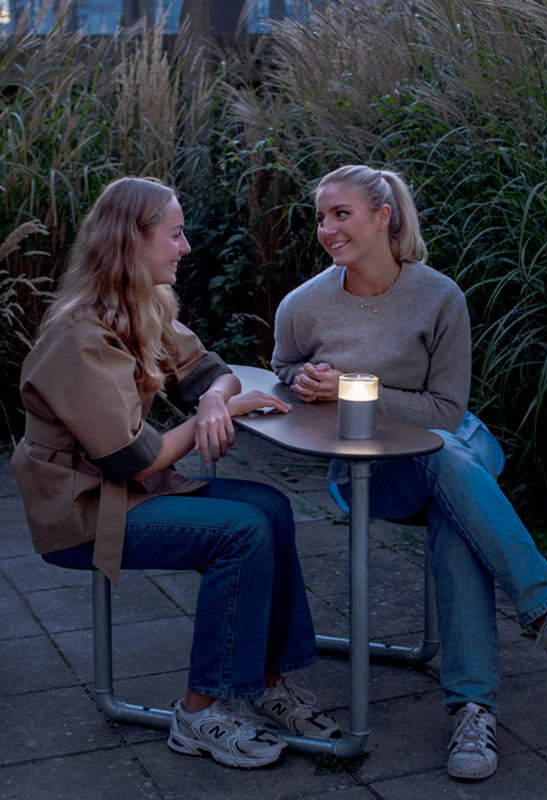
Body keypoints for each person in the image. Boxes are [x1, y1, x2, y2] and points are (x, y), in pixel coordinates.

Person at [271, 164, 547, 781]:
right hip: (374, 474)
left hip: (456, 448)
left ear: (383, 216)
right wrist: (305, 381)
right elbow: (283, 369)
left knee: (444, 453)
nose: (327, 229)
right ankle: (543, 616)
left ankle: (475, 713)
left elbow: (446, 412)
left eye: (341, 214)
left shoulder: (440, 296)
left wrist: (354, 388)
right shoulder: (303, 305)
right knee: (457, 518)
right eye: (320, 217)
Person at [11, 176, 340, 770]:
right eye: (176, 234)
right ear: (130, 241)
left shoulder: (142, 305)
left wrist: (213, 401)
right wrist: (218, 415)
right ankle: (198, 714)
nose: (185, 247)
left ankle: (262, 684)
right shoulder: (81, 334)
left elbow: (216, 371)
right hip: (83, 513)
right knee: (240, 532)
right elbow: (130, 459)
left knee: (269, 506)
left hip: (127, 492)